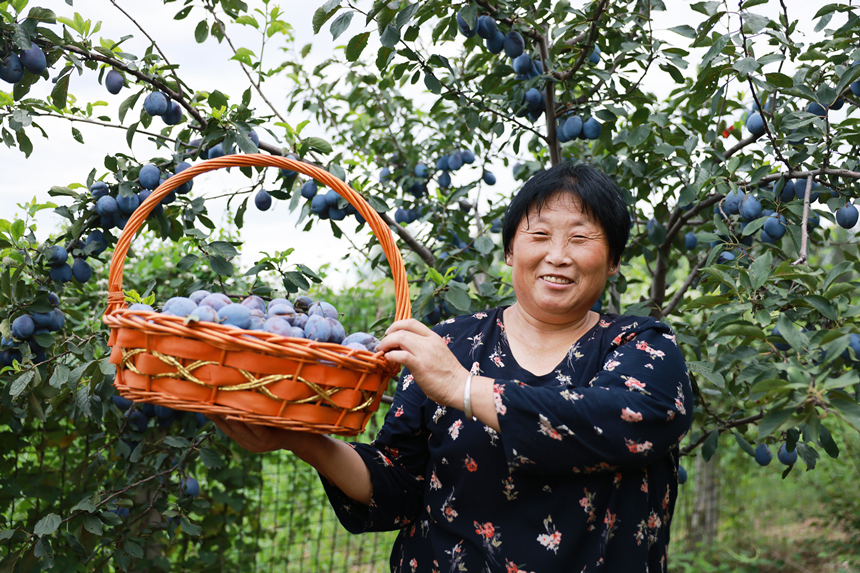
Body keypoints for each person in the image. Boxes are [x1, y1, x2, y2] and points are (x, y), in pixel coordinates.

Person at [212, 162, 693, 572]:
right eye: (539, 235)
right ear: (510, 252)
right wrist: (300, 439)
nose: (558, 255)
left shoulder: (641, 346)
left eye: (581, 238)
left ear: (612, 260)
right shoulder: (450, 344)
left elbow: (627, 419)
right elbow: (397, 487)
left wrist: (463, 389)